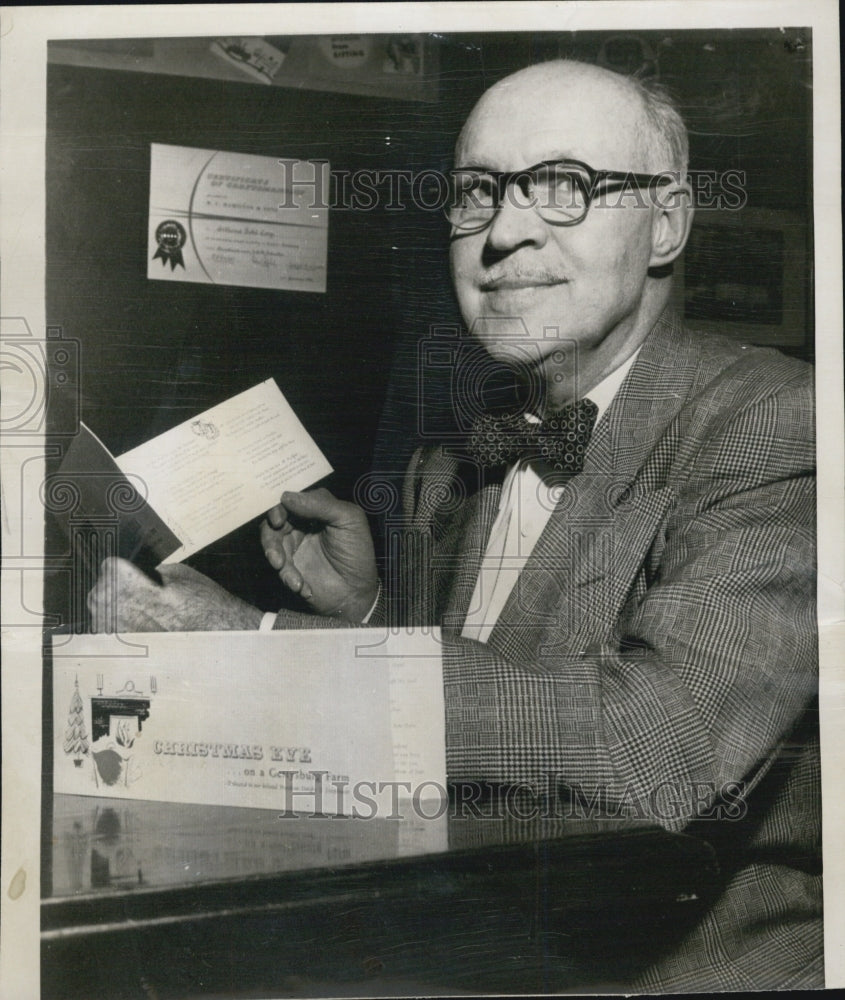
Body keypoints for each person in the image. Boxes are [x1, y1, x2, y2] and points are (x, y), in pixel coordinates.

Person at [88, 60, 820, 990]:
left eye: (563, 185)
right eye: (478, 191)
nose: (504, 232)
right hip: (477, 936)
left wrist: (254, 646)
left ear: (666, 223)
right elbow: (485, 713)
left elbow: (654, 752)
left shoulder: (780, 421)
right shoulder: (450, 460)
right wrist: (366, 614)